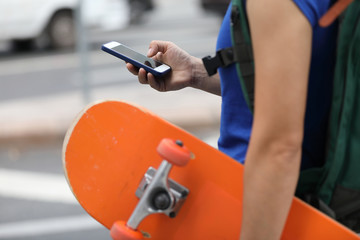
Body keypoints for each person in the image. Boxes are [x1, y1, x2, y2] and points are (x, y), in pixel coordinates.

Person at [126, 0, 338, 239]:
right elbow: (288, 85)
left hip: (265, 207)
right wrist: (195, 71)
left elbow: (278, 148)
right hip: (285, 203)